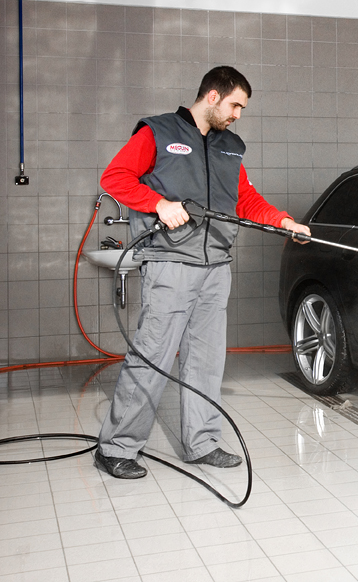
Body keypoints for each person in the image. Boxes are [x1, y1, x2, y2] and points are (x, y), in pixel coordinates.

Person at [95, 66, 310, 479]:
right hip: (171, 262)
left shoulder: (231, 147)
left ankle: (202, 443)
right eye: (235, 105)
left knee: (206, 361)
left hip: (216, 267)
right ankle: (117, 447)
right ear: (212, 96)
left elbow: (244, 199)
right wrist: (159, 204)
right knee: (152, 356)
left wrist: (283, 222)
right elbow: (115, 177)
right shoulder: (158, 132)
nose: (238, 115)